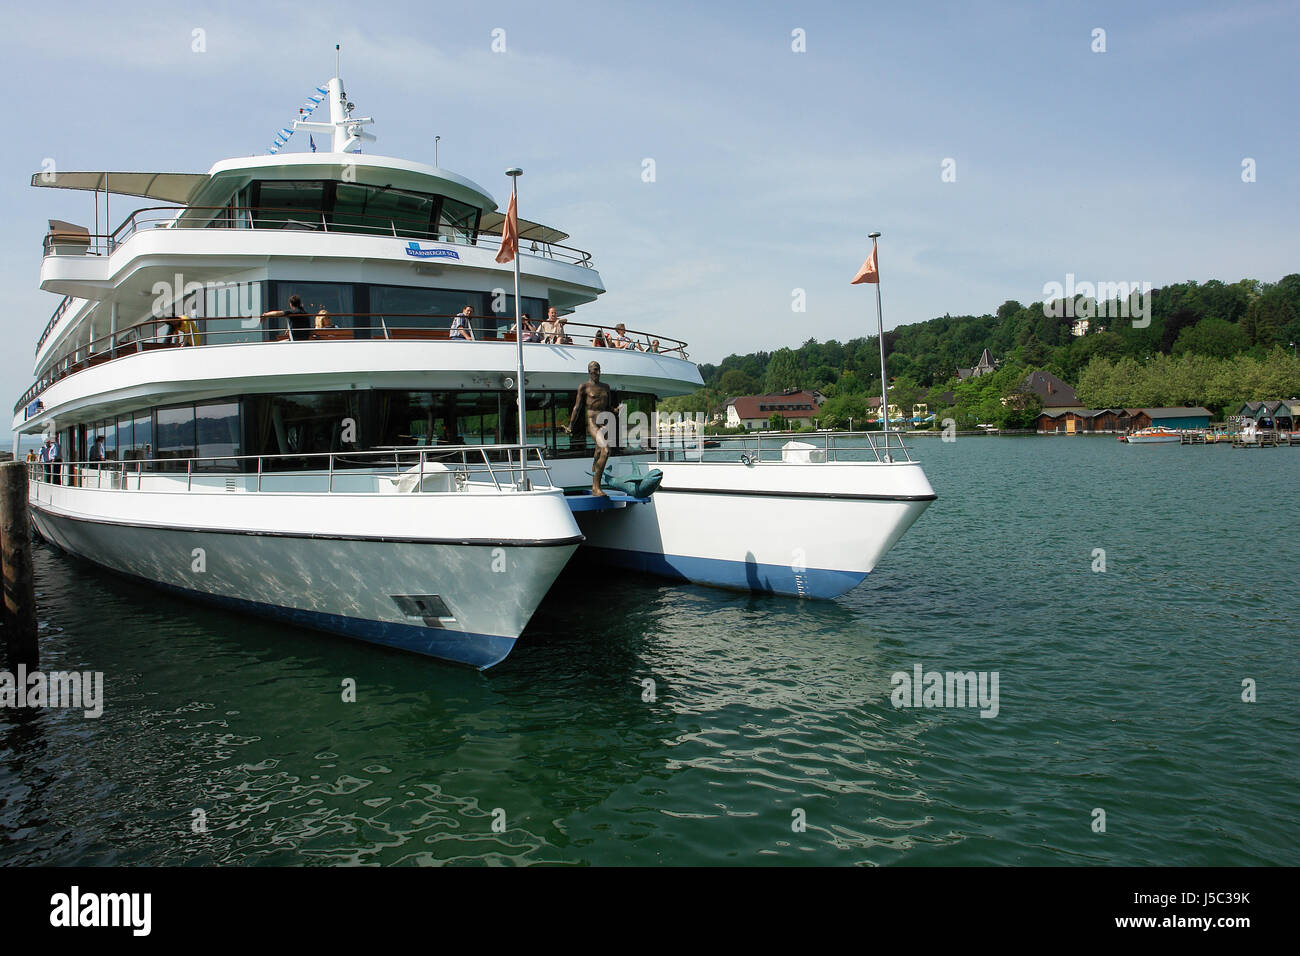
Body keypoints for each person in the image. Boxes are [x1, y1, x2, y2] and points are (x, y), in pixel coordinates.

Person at [561, 361, 614, 497]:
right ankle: (596, 487)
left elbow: (608, 407)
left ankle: (595, 462)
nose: (595, 372)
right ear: (589, 371)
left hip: (605, 421)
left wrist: (616, 410)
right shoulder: (584, 387)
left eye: (597, 370)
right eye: (593, 370)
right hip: (592, 422)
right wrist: (571, 425)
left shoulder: (606, 387)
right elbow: (577, 407)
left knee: (599, 451)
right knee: (606, 451)